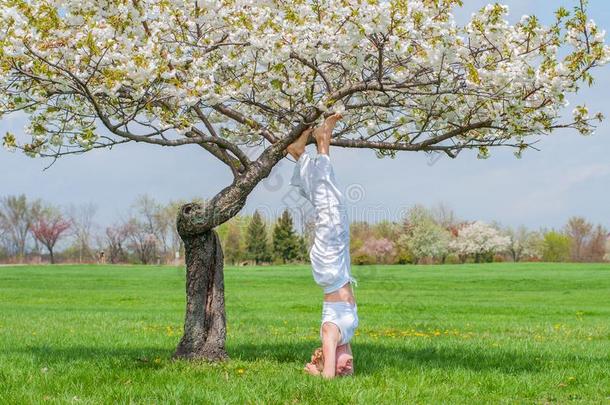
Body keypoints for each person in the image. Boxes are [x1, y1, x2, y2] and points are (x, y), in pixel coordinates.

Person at [285, 113, 359, 378]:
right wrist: (344, 372)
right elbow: (346, 375)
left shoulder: (330, 333)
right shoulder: (345, 340)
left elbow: (330, 376)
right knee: (332, 205)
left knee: (331, 208)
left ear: (327, 357)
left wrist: (318, 372)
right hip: (341, 269)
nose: (347, 367)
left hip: (330, 270)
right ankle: (300, 154)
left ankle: (322, 143)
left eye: (341, 367)